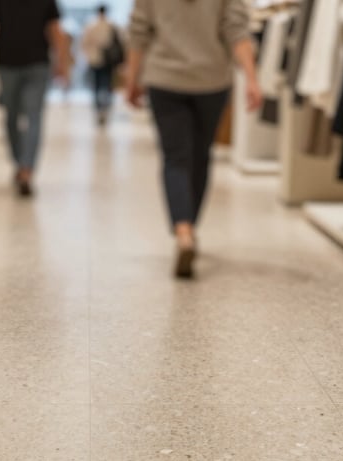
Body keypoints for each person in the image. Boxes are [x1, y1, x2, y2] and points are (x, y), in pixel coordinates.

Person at [126, 0, 263, 279]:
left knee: (175, 157)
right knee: (201, 155)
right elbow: (236, 31)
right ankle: (191, 228)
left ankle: (183, 230)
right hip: (211, 80)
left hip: (165, 79)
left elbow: (139, 32)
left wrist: (132, 78)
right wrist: (251, 78)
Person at [0, 0, 69, 197]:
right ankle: (23, 165)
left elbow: (54, 29)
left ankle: (24, 168)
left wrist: (62, 62)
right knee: (19, 116)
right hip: (13, 63)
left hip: (31, 63)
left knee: (26, 116)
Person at [82, 5, 121, 125]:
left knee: (97, 86)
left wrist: (88, 56)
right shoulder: (112, 25)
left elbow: (84, 44)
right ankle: (106, 108)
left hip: (95, 61)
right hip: (108, 62)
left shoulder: (91, 26)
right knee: (107, 85)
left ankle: (99, 109)